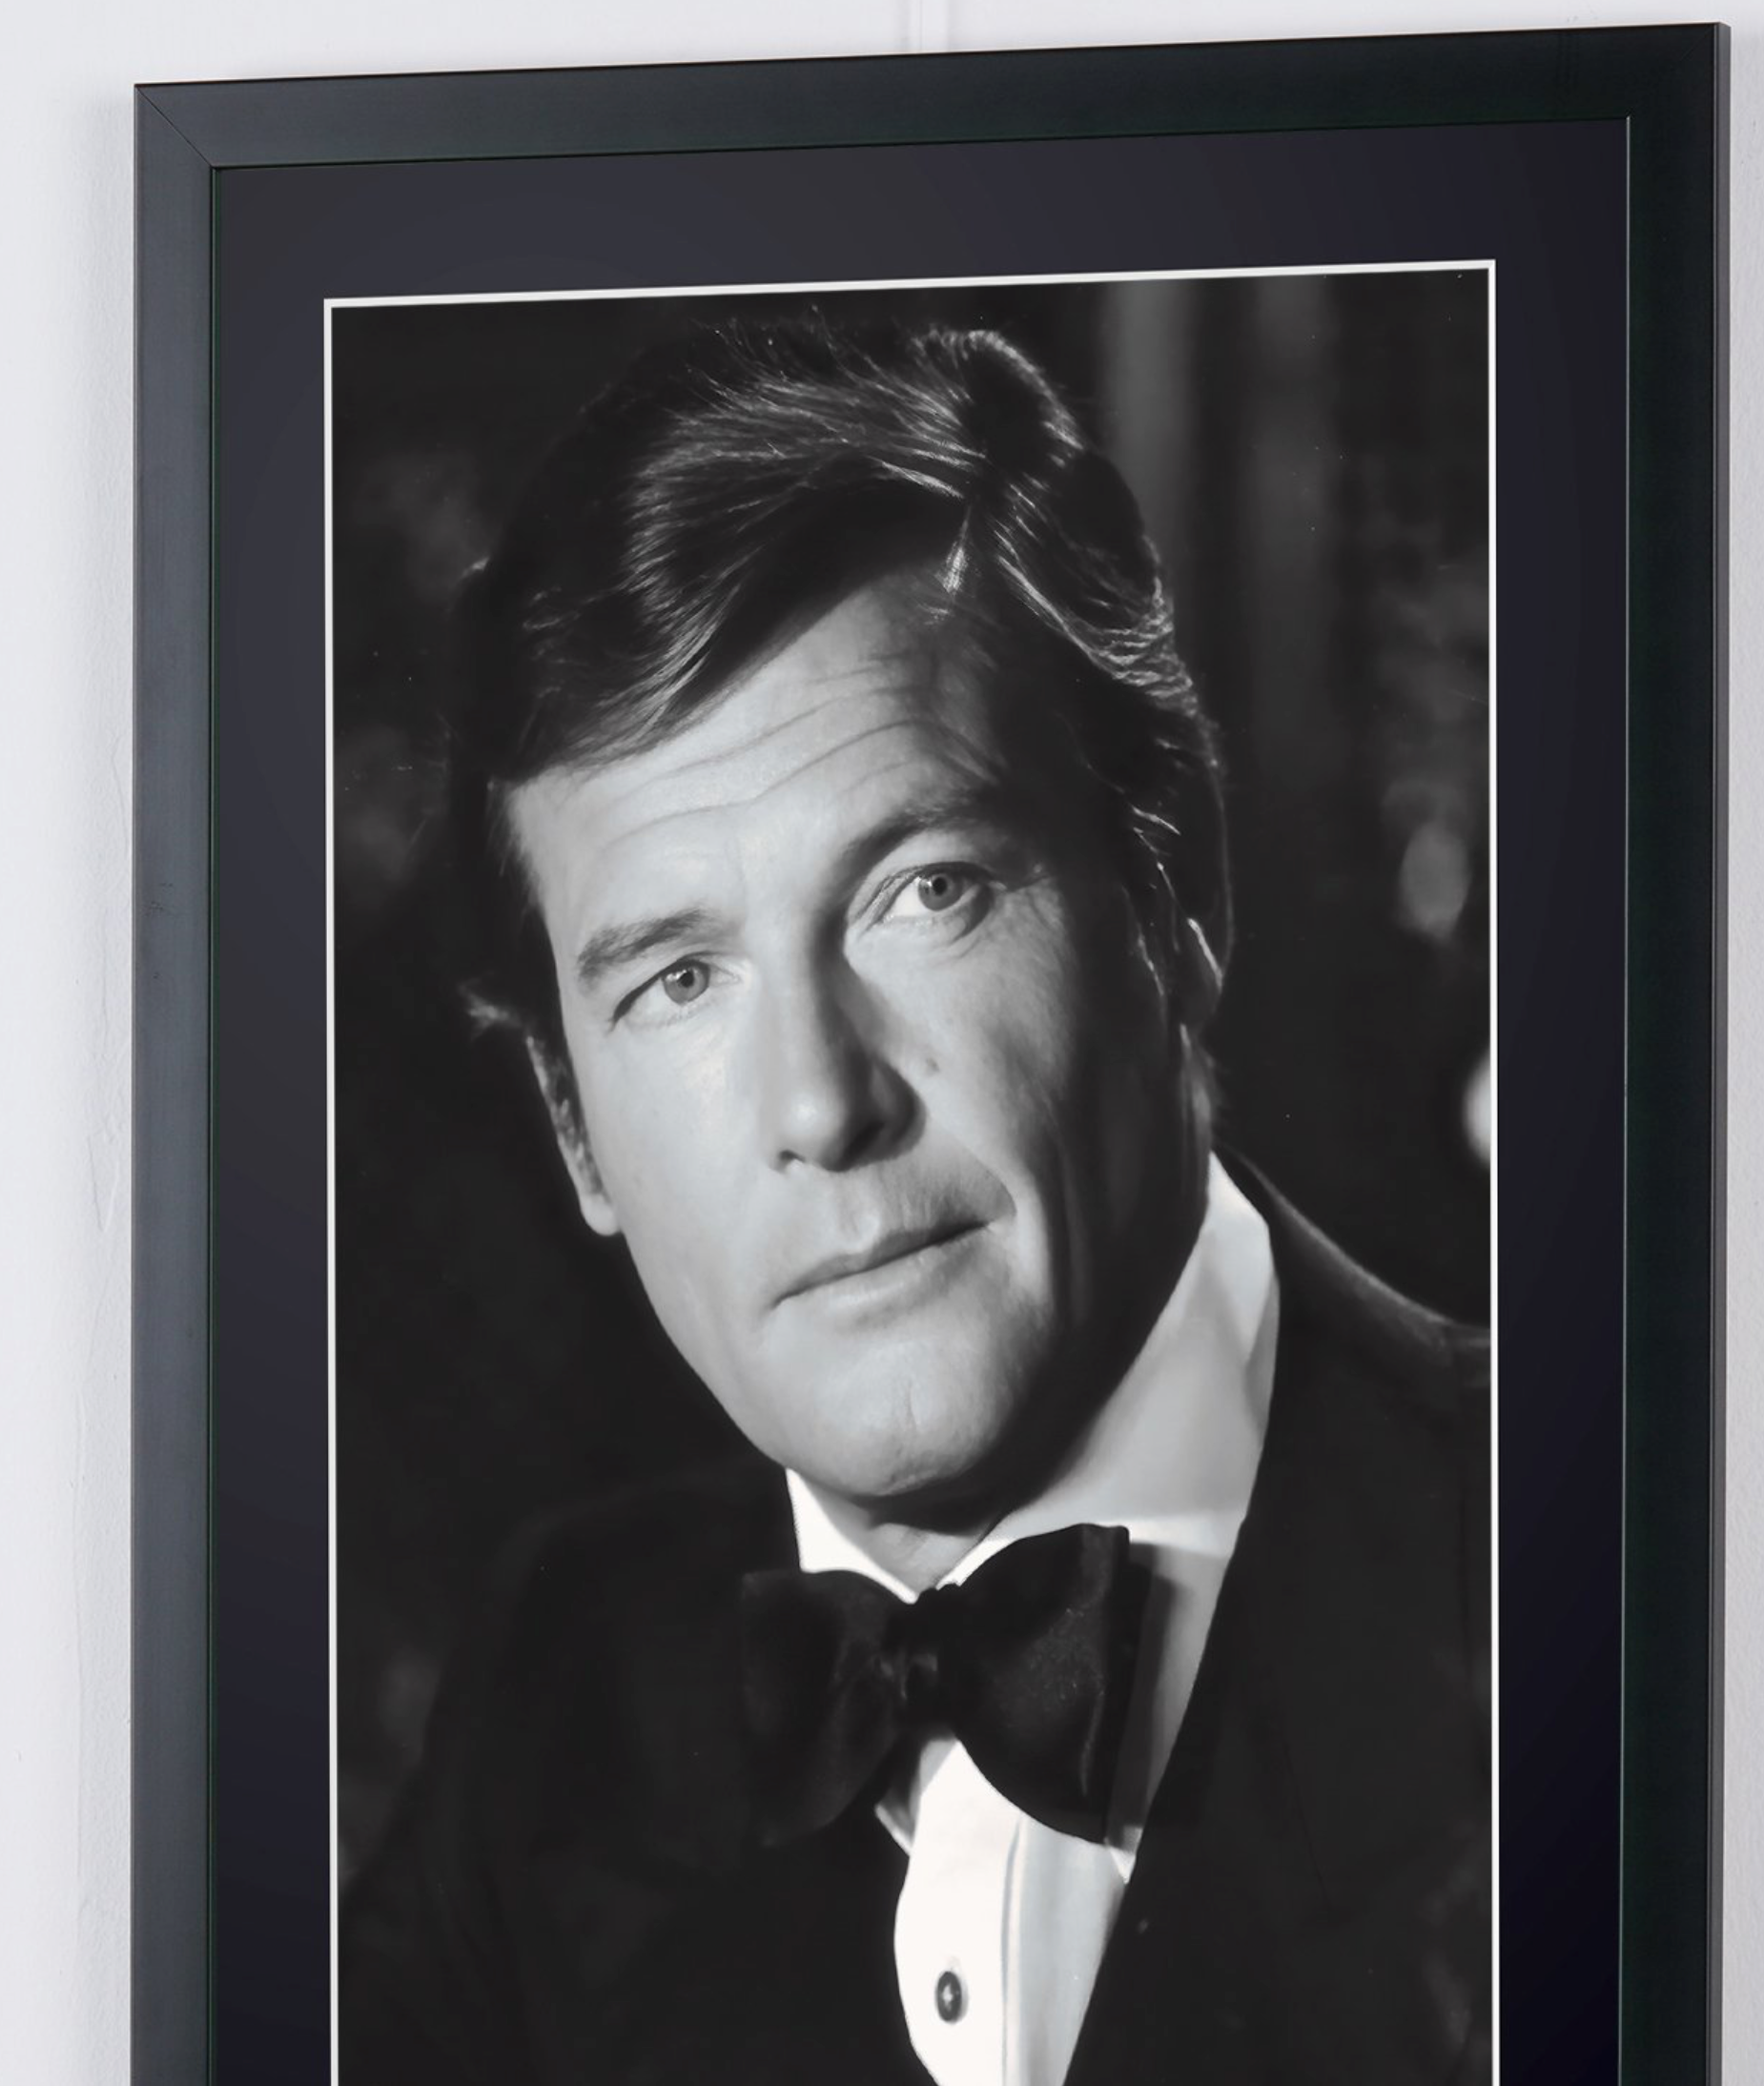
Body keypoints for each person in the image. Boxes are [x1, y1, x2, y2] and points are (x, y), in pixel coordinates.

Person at [340, 316, 1490, 2086]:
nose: (822, 1102)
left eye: (925, 890)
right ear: (573, 1127)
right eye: (678, 981)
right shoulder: (555, 1696)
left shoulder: (1611, 1580)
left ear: (1174, 897)